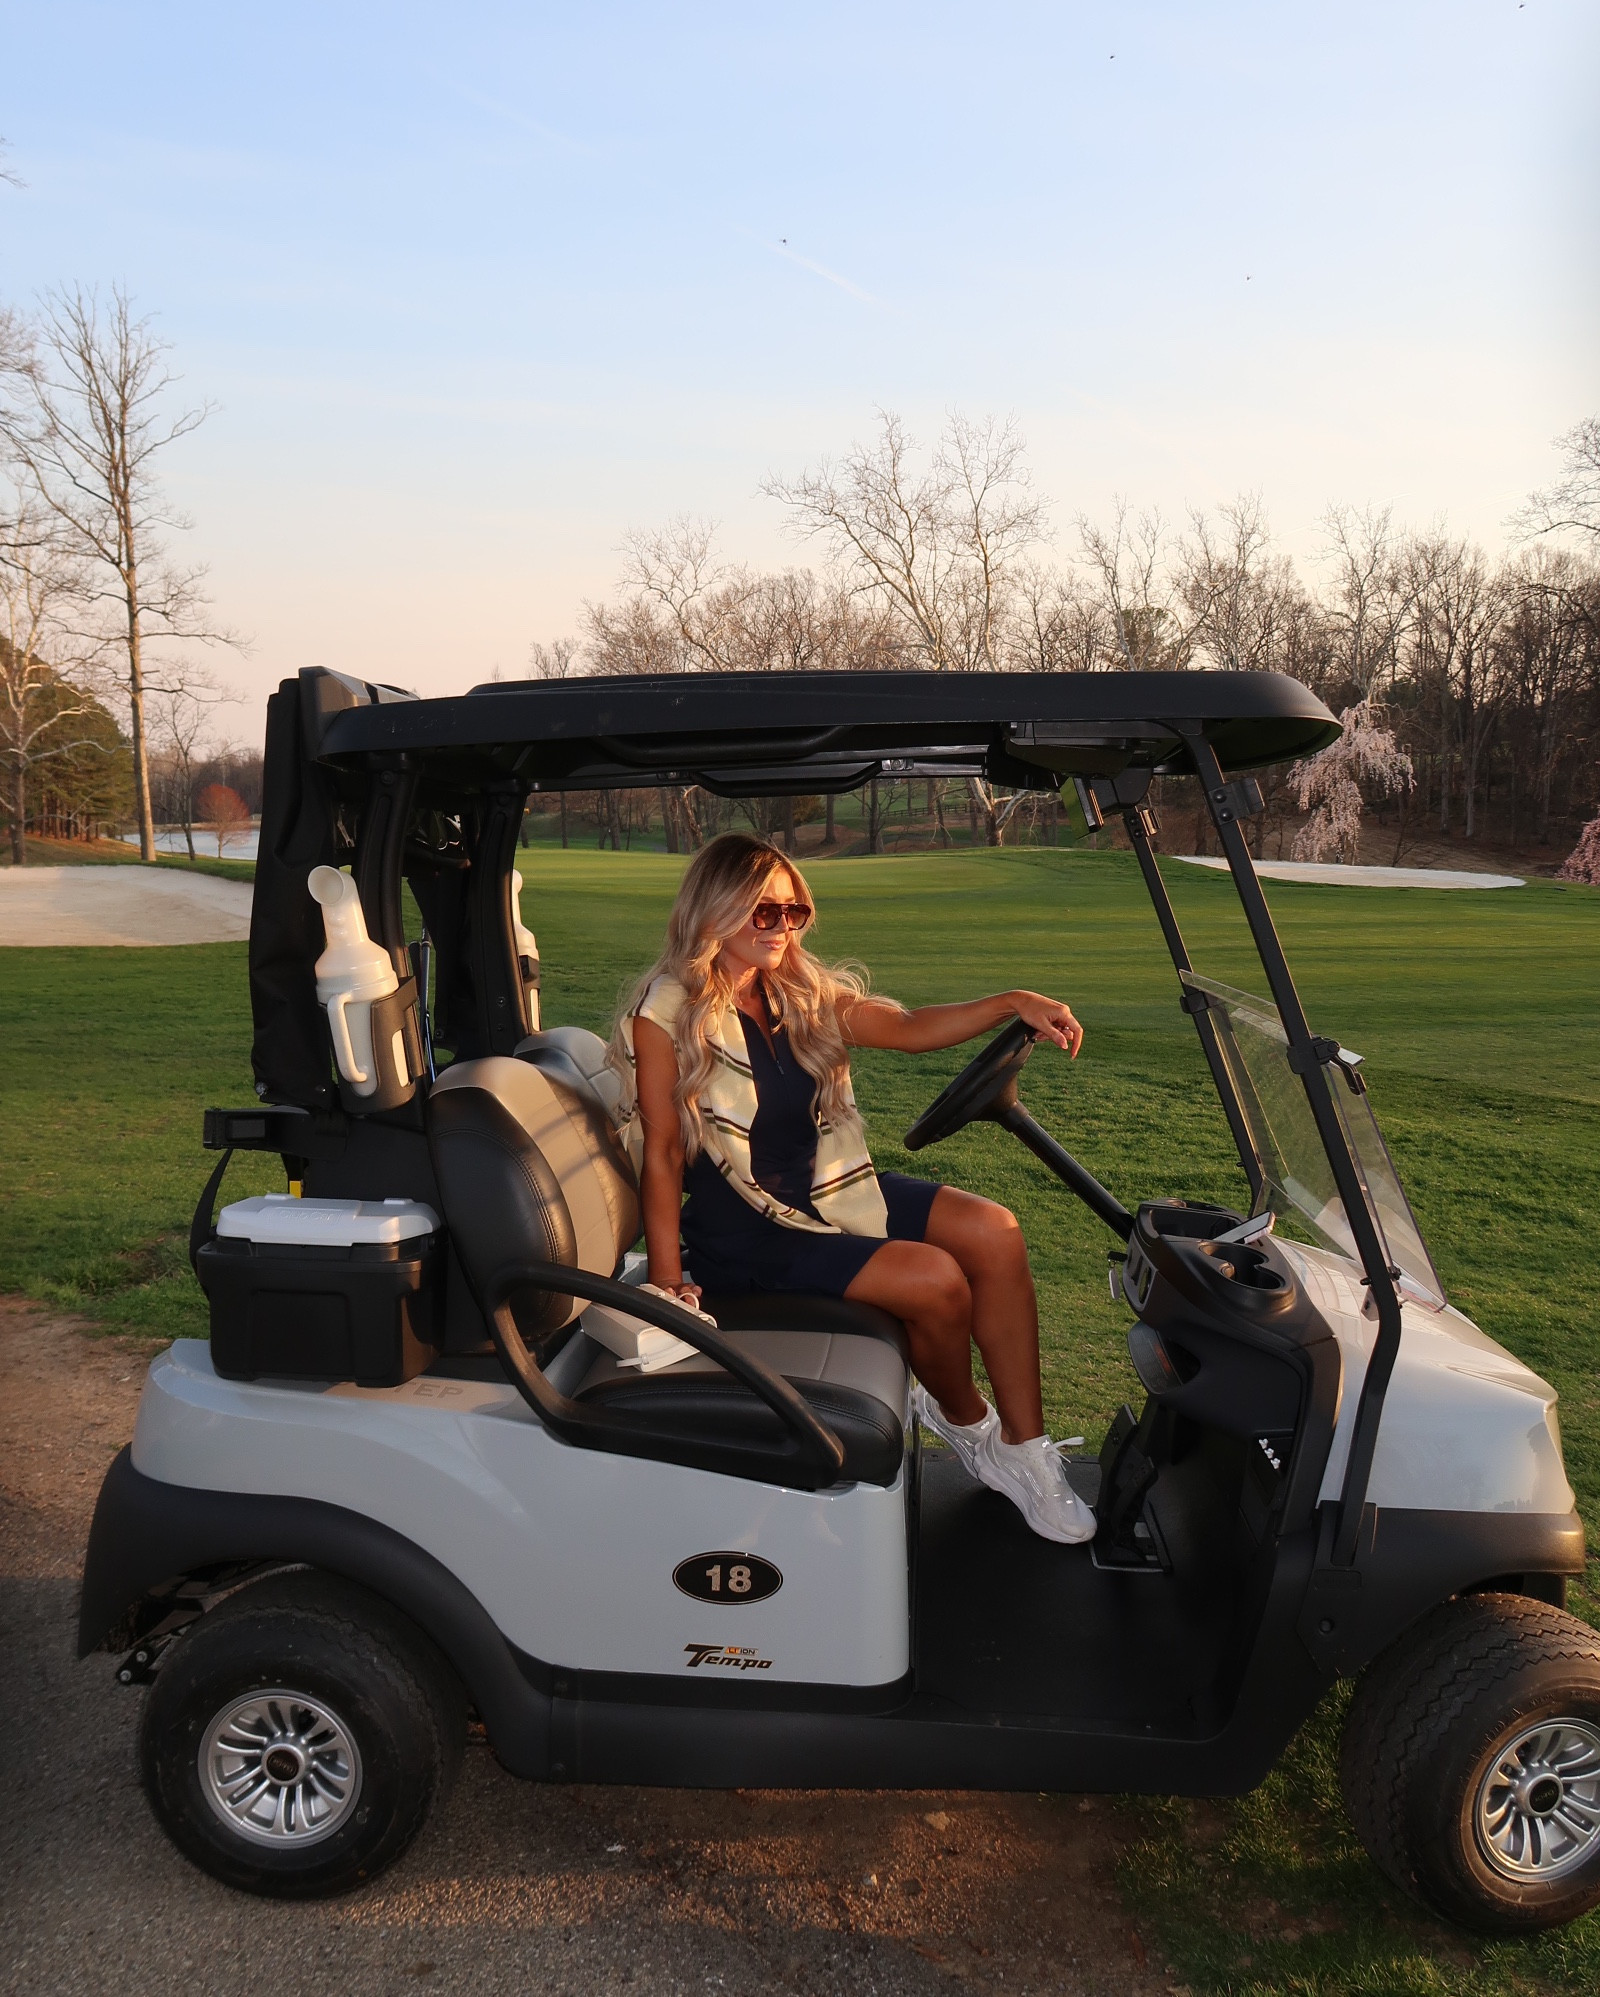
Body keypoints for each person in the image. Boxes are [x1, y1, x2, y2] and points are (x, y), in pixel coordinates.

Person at [610, 832, 1095, 1544]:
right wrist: (669, 1280)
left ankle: (1024, 1451)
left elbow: (903, 1026)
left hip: (828, 1186)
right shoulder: (668, 1010)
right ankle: (969, 1424)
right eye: (764, 911)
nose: (782, 926)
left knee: (994, 1230)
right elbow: (659, 1153)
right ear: (716, 908)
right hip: (748, 1226)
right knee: (934, 1281)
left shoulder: (795, 991)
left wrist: (1011, 1001)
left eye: (793, 911)